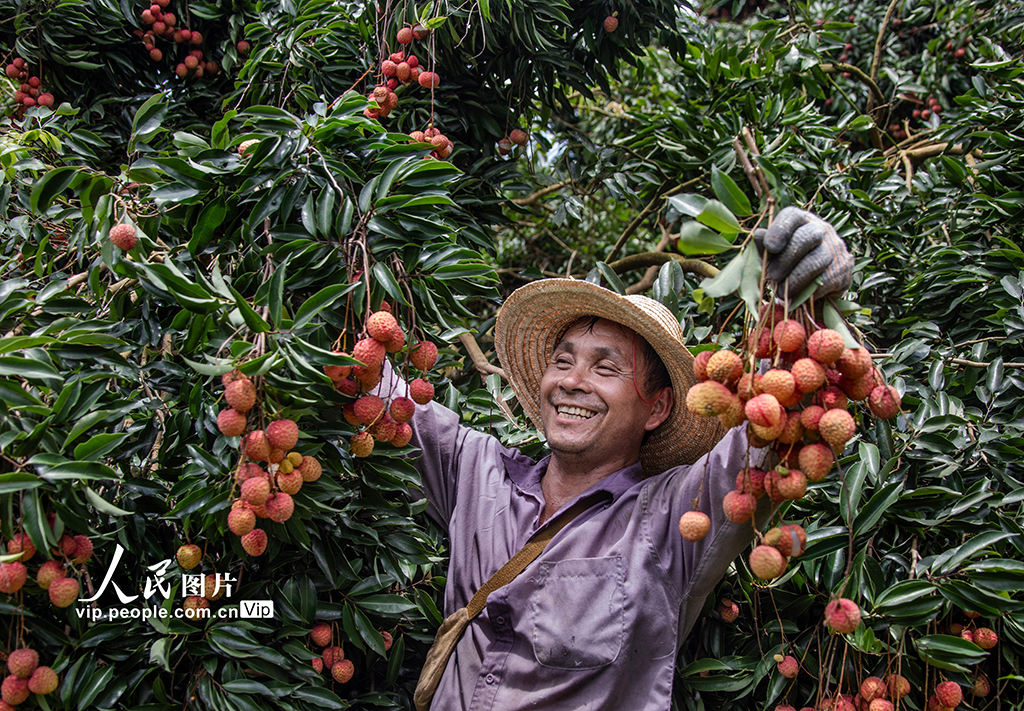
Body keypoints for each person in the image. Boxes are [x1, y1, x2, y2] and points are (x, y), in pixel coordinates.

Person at [383, 207, 854, 710]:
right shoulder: (477, 472)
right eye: (562, 361)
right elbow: (375, 392)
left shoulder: (673, 517)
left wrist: (809, 297)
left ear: (657, 408)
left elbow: (774, 433)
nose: (571, 381)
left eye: (604, 368)